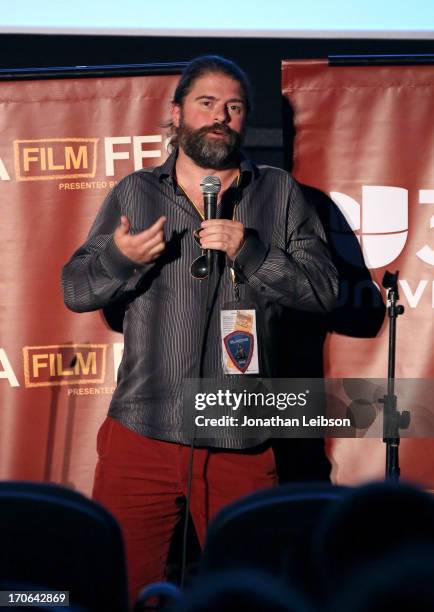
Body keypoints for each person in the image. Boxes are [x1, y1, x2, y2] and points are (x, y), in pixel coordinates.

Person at [61, 55, 338, 604]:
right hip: (143, 428)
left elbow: (324, 290)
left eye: (234, 107)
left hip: (240, 434)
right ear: (177, 113)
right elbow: (75, 290)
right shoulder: (136, 193)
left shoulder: (278, 193)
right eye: (207, 103)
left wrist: (253, 251)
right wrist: (118, 258)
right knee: (119, 587)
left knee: (254, 593)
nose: (221, 117)